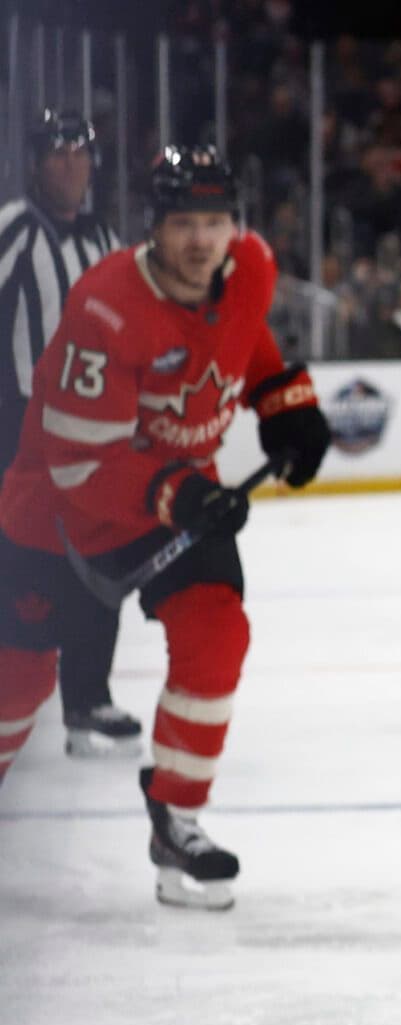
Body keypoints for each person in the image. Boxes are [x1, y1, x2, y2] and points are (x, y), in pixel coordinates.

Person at [0, 146, 332, 908]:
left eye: (215, 222)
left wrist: (289, 407)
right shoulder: (105, 305)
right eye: (184, 222)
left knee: (218, 632)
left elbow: (244, 343)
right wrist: (179, 496)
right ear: (154, 227)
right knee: (16, 686)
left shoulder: (249, 266)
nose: (201, 240)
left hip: (174, 492)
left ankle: (177, 821)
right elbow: (80, 463)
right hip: (57, 507)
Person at [0, 111, 133, 756]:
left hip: (92, 436)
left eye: (81, 154)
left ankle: (88, 698)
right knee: (25, 563)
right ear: (34, 164)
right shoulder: (15, 231)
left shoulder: (106, 241)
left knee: (100, 561)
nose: (72, 165)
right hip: (17, 433)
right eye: (58, 154)